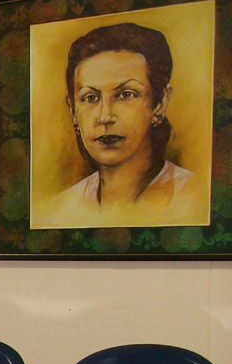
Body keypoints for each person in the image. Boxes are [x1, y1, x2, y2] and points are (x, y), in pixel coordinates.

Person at [43, 22, 207, 228]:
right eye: (91, 97)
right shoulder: (59, 210)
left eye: (125, 95)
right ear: (73, 111)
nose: (105, 117)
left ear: (160, 103)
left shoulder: (195, 198)